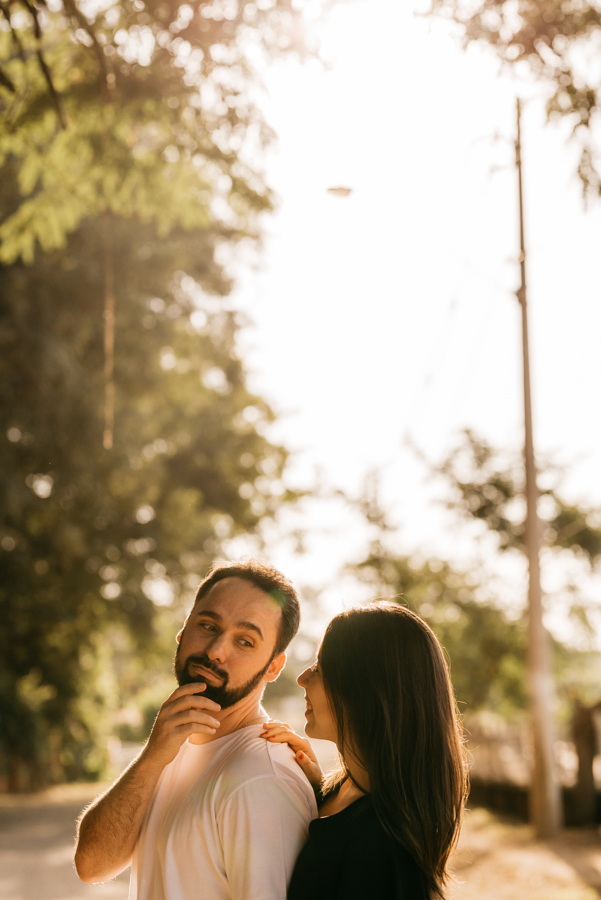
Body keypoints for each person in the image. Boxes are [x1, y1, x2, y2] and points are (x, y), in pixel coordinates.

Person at [75, 559, 317, 900]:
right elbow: (91, 865)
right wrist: (152, 757)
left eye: (245, 642)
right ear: (183, 629)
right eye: (208, 625)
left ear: (273, 667)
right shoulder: (169, 746)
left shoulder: (262, 778)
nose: (216, 651)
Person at [261, 601, 468, 900]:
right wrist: (317, 791)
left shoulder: (383, 847)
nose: (302, 678)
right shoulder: (349, 794)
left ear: (365, 691)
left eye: (320, 667)